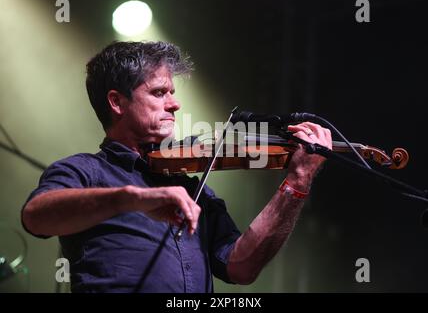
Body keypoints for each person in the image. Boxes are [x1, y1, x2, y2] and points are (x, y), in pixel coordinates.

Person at [21, 41, 332, 293]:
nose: (174, 104)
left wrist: (298, 180)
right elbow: (37, 217)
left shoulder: (192, 189)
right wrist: (133, 198)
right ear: (117, 103)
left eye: (172, 92)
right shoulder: (84, 171)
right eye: (159, 93)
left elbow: (241, 267)